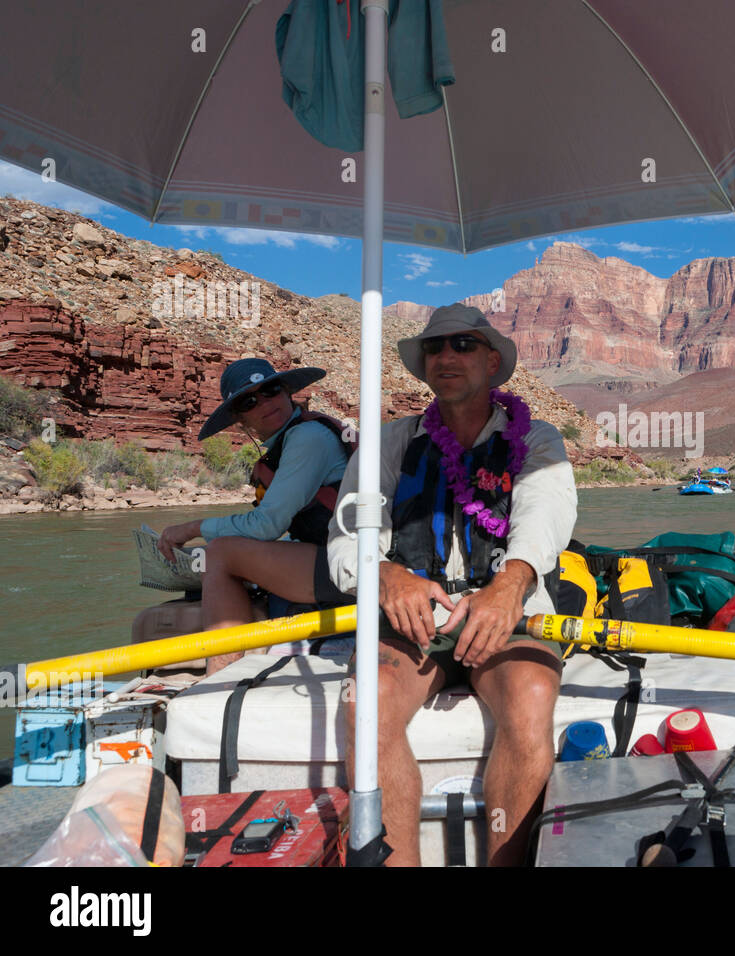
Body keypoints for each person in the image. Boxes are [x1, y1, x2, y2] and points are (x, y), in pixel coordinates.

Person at [327, 304, 577, 867]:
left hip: (509, 611)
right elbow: (345, 538)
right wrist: (387, 575)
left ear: (492, 362)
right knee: (368, 699)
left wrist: (511, 582)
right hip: (415, 618)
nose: (446, 356)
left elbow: (545, 512)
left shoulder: (536, 440)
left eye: (463, 345)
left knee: (531, 693)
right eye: (435, 348)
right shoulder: (388, 444)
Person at [158, 358, 355, 673]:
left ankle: (221, 673)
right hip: (338, 559)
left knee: (219, 554)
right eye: (250, 400)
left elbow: (266, 525)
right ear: (241, 420)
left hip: (356, 567)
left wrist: (193, 528)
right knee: (224, 552)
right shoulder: (294, 439)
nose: (266, 402)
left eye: (272, 389)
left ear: (287, 392)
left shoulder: (307, 438)